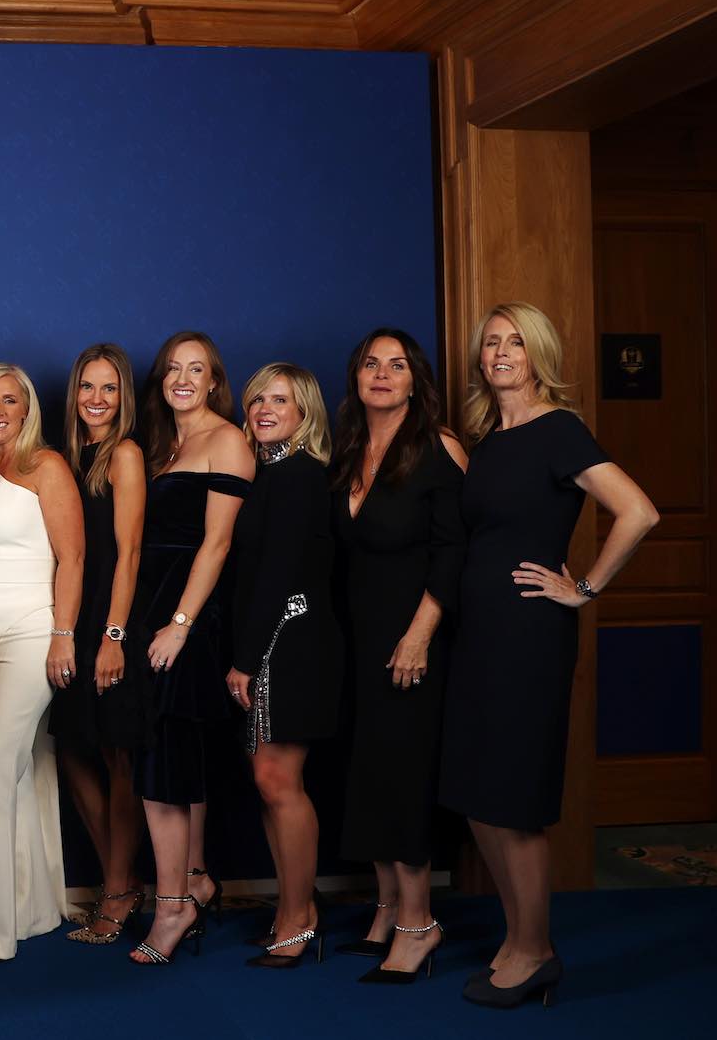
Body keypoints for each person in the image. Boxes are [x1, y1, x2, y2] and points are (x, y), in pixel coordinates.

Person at [440, 302, 657, 1008]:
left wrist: (584, 587)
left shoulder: (557, 429)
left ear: (538, 356)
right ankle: (518, 937)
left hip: (528, 636)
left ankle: (535, 951)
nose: (501, 353)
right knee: (476, 794)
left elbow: (639, 511)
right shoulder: (488, 439)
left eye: (516, 343)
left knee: (512, 798)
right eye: (491, 343)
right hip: (478, 634)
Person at [327, 329, 466, 982]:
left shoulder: (438, 447)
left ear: (416, 381)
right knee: (370, 772)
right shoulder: (349, 448)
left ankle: (419, 923)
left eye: (397, 365)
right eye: (371, 364)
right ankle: (386, 907)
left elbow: (453, 550)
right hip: (357, 639)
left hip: (411, 641)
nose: (382, 374)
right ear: (357, 377)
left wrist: (419, 635)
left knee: (404, 777)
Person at [126, 331, 253, 966]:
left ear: (214, 382)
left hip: (189, 615)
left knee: (163, 767)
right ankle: (195, 880)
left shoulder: (226, 439)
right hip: (155, 609)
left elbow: (218, 543)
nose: (182, 378)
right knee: (173, 756)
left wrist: (180, 623)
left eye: (196, 369)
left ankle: (172, 905)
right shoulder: (163, 444)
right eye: (173, 368)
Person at [0, 363, 83, 964]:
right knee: (13, 769)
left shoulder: (47, 466)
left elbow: (73, 558)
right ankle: (30, 907)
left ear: (28, 408)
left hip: (32, 626)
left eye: (11, 400)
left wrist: (63, 635)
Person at [225, 363, 342, 968]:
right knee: (268, 781)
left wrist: (246, 659)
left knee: (279, 781)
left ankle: (300, 919)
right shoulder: (272, 473)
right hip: (274, 637)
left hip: (290, 642)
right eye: (258, 400)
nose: (265, 409)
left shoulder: (298, 475)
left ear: (305, 413)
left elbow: (277, 574)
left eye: (280, 400)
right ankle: (292, 911)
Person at [52, 343, 149, 945]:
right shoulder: (69, 457)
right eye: (87, 387)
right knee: (71, 748)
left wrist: (114, 636)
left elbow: (129, 553)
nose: (96, 398)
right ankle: (124, 880)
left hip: (112, 620)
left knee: (118, 757)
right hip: (74, 618)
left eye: (108, 388)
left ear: (124, 397)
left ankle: (116, 893)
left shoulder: (125, 455)